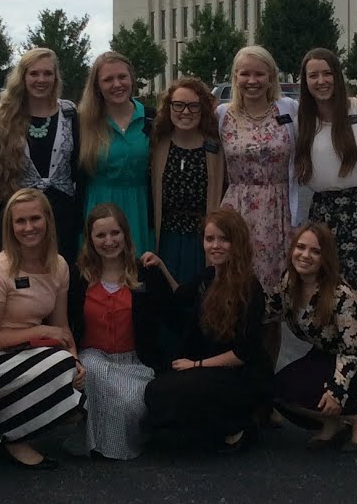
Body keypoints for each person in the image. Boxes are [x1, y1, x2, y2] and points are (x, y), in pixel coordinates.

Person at [0, 188, 84, 470]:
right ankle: (12, 435)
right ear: (10, 227)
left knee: (75, 376)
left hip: (31, 351)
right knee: (59, 367)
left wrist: (75, 357)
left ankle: (8, 427)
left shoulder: (58, 265)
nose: (28, 227)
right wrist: (42, 335)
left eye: (35, 218)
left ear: (48, 220)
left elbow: (60, 325)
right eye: (20, 221)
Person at [143, 208, 267, 452]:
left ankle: (238, 424)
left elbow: (243, 353)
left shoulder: (250, 288)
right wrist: (160, 266)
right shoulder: (208, 275)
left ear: (237, 243)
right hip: (208, 368)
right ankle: (217, 428)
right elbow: (179, 295)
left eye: (223, 239)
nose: (215, 246)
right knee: (157, 395)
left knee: (165, 399)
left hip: (236, 374)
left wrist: (196, 365)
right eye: (210, 239)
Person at [294, 47, 357, 335]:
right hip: (327, 213)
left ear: (337, 76)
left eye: (327, 73)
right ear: (305, 81)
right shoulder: (302, 120)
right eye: (313, 75)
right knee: (328, 291)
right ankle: (333, 367)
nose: (321, 80)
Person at [266, 223, 357, 451]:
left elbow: (350, 353)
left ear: (325, 257)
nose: (305, 255)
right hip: (324, 355)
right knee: (278, 390)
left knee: (313, 393)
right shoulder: (289, 282)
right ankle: (333, 424)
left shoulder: (342, 295)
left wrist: (336, 392)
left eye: (315, 251)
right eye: (300, 247)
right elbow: (266, 311)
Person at [66, 204, 172, 459]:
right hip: (94, 357)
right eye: (100, 235)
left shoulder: (145, 273)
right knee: (95, 370)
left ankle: (128, 433)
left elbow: (176, 310)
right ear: (90, 239)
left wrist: (164, 269)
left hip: (135, 361)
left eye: (115, 233)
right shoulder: (79, 277)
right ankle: (105, 446)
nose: (109, 241)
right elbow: (66, 323)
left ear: (126, 234)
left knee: (131, 403)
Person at [216, 45, 297, 365]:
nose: (252, 80)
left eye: (259, 73)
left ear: (271, 76)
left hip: (277, 215)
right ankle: (235, 387)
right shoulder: (222, 115)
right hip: (236, 213)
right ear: (234, 76)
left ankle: (266, 388)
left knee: (269, 309)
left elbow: (327, 118)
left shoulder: (288, 109)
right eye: (244, 73)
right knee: (234, 300)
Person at [0, 47, 81, 260]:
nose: (41, 79)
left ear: (56, 77)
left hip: (62, 216)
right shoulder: (5, 116)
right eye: (34, 73)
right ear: (22, 77)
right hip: (21, 217)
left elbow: (78, 164)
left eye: (47, 73)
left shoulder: (69, 113)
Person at [149, 76, 224, 286]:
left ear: (203, 109)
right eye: (179, 105)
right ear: (169, 107)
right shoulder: (157, 145)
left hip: (201, 240)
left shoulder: (216, 148)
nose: (185, 112)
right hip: (167, 238)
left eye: (193, 106)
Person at [78, 50, 153, 254]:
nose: (117, 84)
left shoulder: (151, 119)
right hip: (97, 205)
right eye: (108, 79)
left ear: (132, 79)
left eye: (122, 77)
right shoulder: (83, 122)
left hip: (140, 208)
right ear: (97, 86)